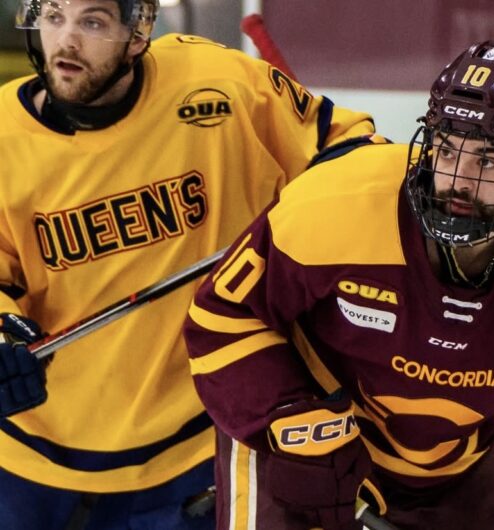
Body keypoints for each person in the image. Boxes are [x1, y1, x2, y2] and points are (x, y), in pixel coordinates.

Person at [183, 41, 494, 530]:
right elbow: (219, 317)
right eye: (447, 149)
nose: (457, 180)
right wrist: (290, 420)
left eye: (488, 161)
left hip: (454, 462)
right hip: (304, 438)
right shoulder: (333, 204)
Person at [0, 0, 375, 528]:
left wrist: (337, 207)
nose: (65, 41)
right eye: (54, 16)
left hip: (196, 447)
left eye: (92, 22)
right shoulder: (3, 138)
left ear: (137, 34)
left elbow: (347, 144)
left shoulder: (216, 82)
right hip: (33, 460)